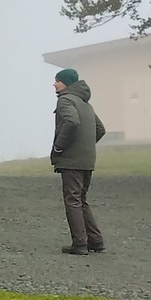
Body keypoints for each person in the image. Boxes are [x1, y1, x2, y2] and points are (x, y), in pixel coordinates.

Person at [50, 67, 106, 254]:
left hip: (71, 160)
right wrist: (86, 146)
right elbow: (100, 129)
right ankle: (95, 241)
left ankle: (80, 243)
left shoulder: (66, 100)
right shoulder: (85, 103)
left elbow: (71, 122)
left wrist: (59, 147)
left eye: (57, 80)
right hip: (87, 159)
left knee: (72, 200)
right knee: (81, 199)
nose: (54, 84)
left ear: (66, 83)